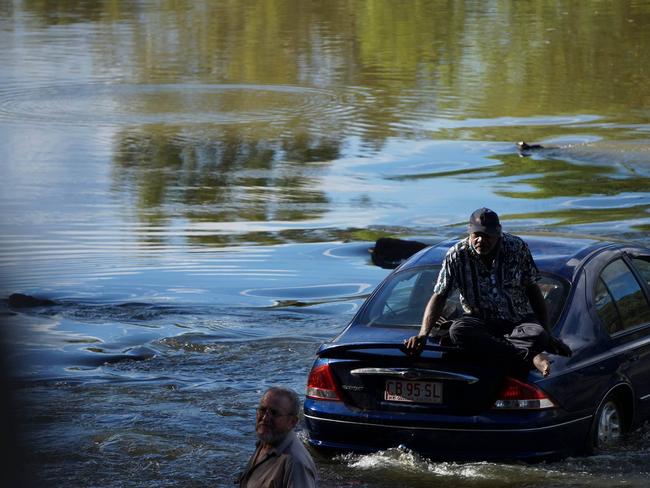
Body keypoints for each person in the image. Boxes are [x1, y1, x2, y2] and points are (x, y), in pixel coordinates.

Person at [404, 208, 571, 376]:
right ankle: (531, 356)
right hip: (479, 322)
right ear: (469, 232)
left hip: (516, 322)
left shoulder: (516, 248)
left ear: (498, 233)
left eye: (487, 235)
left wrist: (548, 334)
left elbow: (532, 289)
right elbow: (440, 295)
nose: (481, 240)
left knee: (538, 335)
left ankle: (519, 350)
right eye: (476, 234)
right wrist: (423, 334)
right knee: (458, 331)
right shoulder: (456, 255)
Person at [237, 386, 317, 488]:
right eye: (262, 410)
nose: (265, 418)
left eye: (274, 413)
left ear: (292, 422)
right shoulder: (266, 442)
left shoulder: (296, 464)